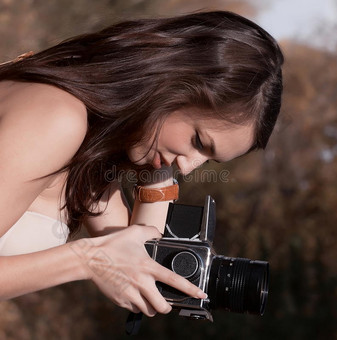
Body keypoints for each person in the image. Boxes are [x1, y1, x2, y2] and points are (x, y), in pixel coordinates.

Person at [0, 10, 283, 317]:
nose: (188, 168)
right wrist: (86, 260)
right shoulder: (56, 117)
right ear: (173, 84)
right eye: (198, 142)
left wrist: (157, 175)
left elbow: (144, 261)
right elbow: (105, 258)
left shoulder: (90, 160)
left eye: (207, 160)